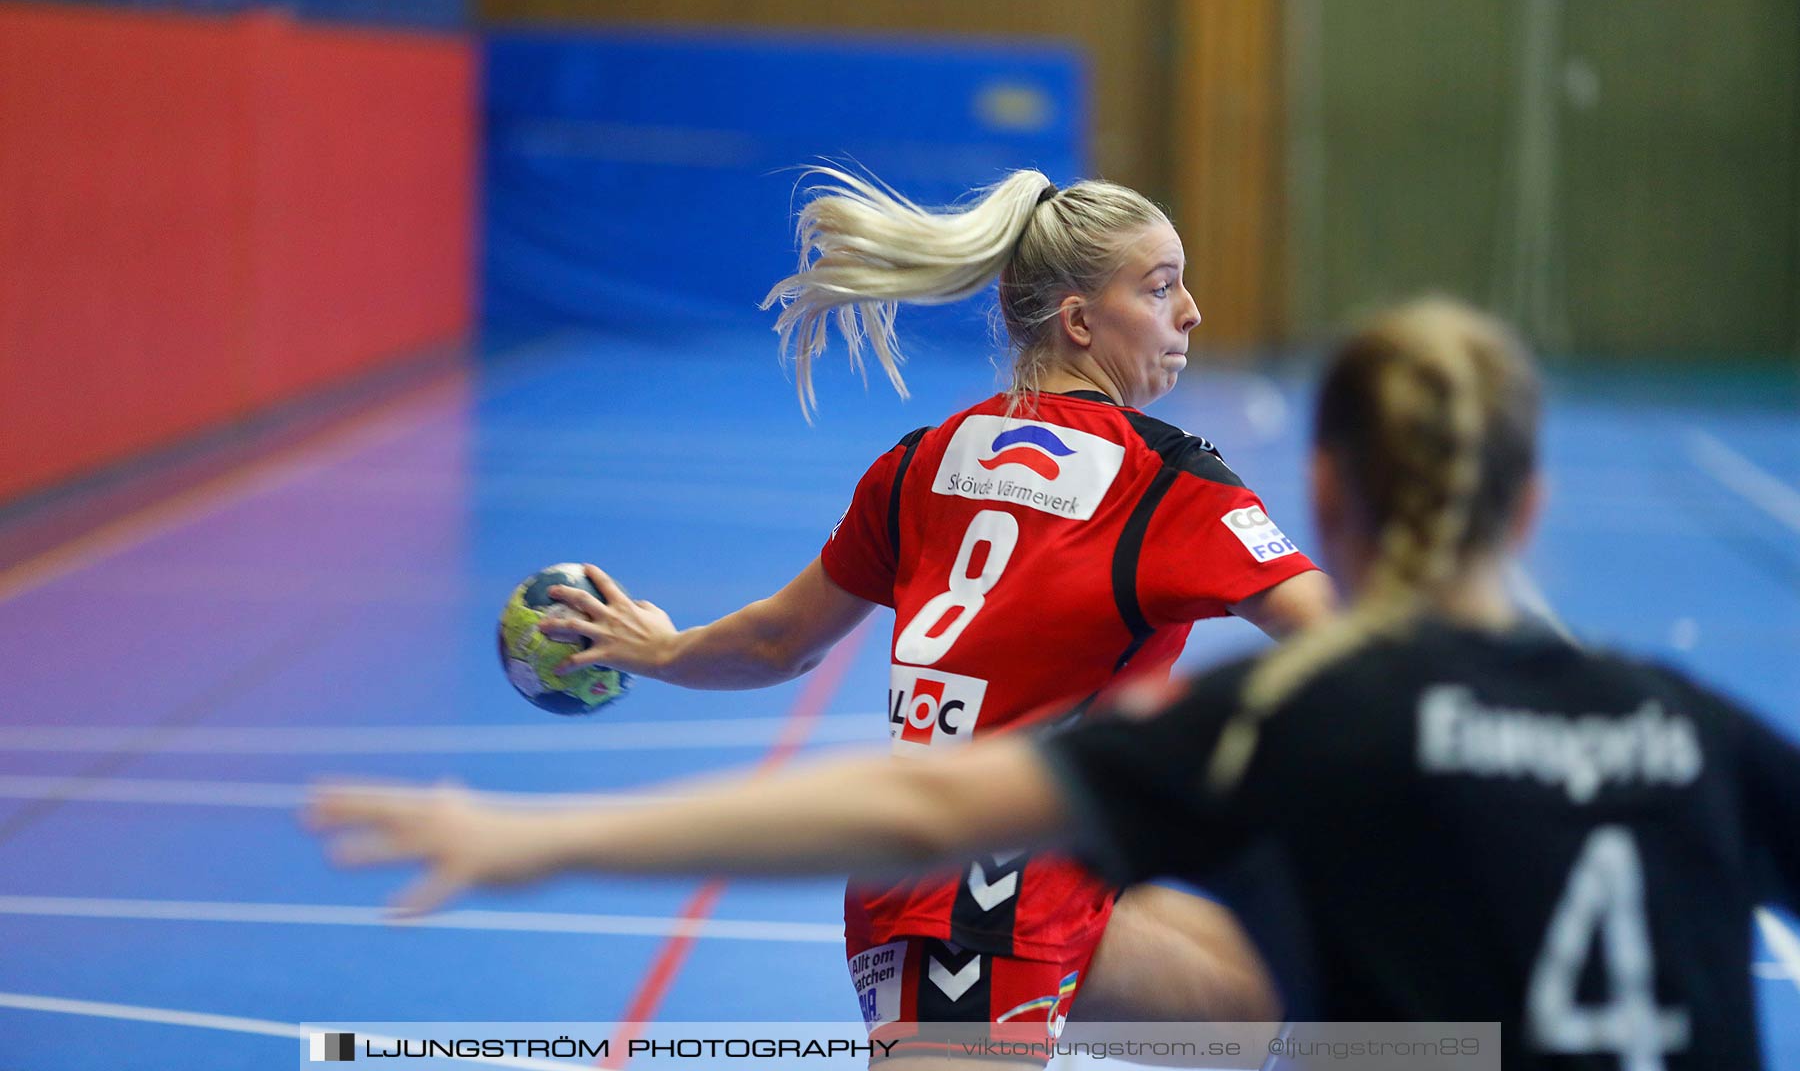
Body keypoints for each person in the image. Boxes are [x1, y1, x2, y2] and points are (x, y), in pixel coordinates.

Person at [309, 299, 1800, 1070]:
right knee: (1247, 988)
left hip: (972, 890)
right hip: (996, 912)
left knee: (1239, 971)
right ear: (1534, 513)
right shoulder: (1701, 731)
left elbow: (917, 794)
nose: (1195, 315)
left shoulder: (1296, 722)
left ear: (1325, 493)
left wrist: (546, 839)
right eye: (1166, 288)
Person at [503, 168, 1331, 1055]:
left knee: (1295, 1005)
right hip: (970, 920)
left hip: (1042, 870)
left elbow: (779, 640)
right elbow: (1343, 643)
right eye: (1161, 288)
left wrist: (662, 648)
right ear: (1080, 322)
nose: (1192, 311)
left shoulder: (922, 460)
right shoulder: (1164, 480)